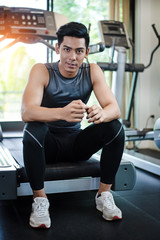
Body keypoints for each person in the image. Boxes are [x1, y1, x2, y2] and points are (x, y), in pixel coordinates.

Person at [21, 21, 125, 229]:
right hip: (48, 146)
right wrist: (62, 113)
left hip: (78, 145)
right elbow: (26, 111)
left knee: (115, 127)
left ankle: (104, 194)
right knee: (33, 128)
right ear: (58, 48)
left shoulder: (92, 70)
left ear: (86, 52)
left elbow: (115, 108)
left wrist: (101, 113)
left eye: (79, 51)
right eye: (67, 49)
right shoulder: (42, 70)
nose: (72, 57)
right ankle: (40, 200)